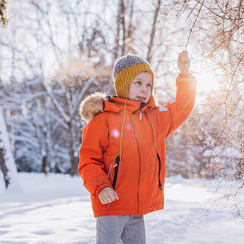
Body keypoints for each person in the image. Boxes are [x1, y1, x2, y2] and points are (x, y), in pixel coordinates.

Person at [78, 51, 196, 244]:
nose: (144, 89)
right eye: (138, 83)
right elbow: (88, 160)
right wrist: (100, 187)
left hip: (136, 210)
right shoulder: (104, 119)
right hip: (110, 205)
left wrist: (185, 76)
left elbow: (182, 108)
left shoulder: (154, 118)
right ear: (124, 84)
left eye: (149, 84)